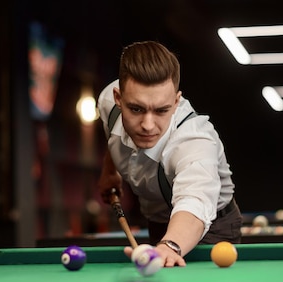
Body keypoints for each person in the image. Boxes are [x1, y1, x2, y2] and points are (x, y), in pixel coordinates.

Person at [97, 40, 242, 267]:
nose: (147, 125)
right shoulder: (107, 102)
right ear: (118, 99)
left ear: (175, 102)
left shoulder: (194, 140)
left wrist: (170, 245)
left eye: (161, 110)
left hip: (211, 228)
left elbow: (194, 202)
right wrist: (109, 171)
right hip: (157, 222)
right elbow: (111, 133)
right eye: (136, 109)